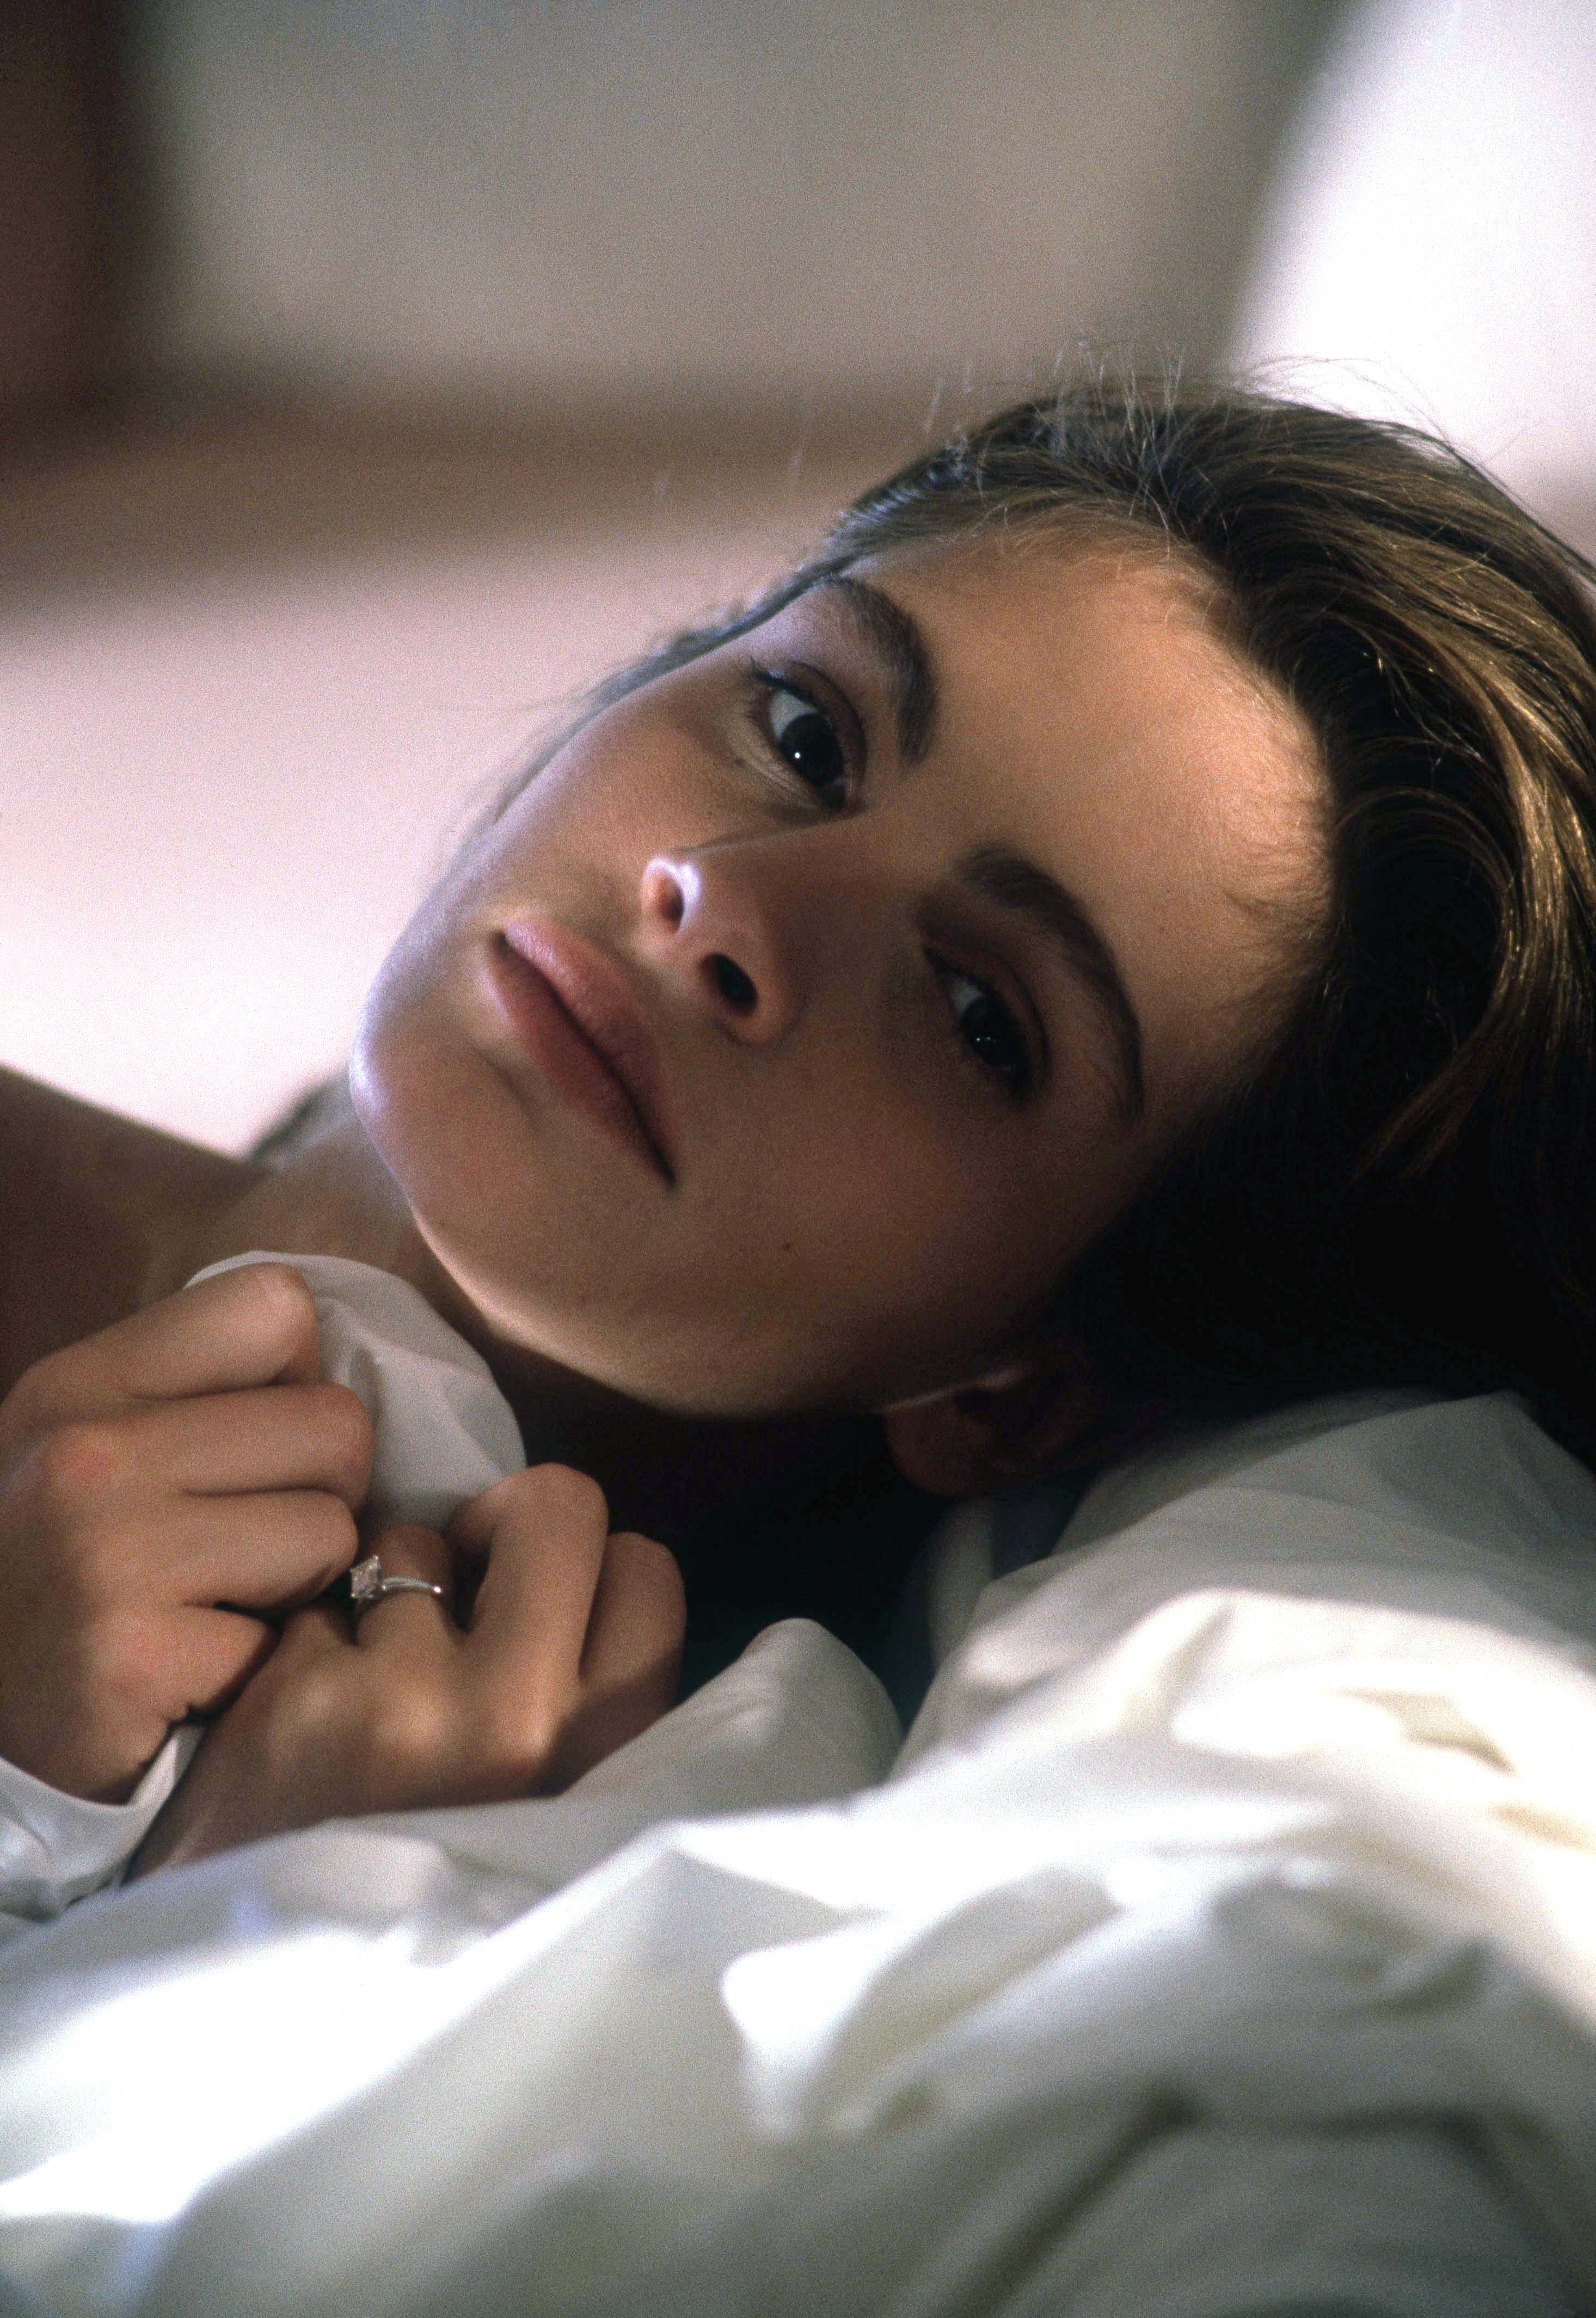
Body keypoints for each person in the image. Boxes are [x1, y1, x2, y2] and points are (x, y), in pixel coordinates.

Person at [2, 374, 1594, 1882]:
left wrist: (238, 1931)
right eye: (803, 735)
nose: (727, 900)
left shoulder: (783, 1875)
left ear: (1019, 1393)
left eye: (977, 1014)